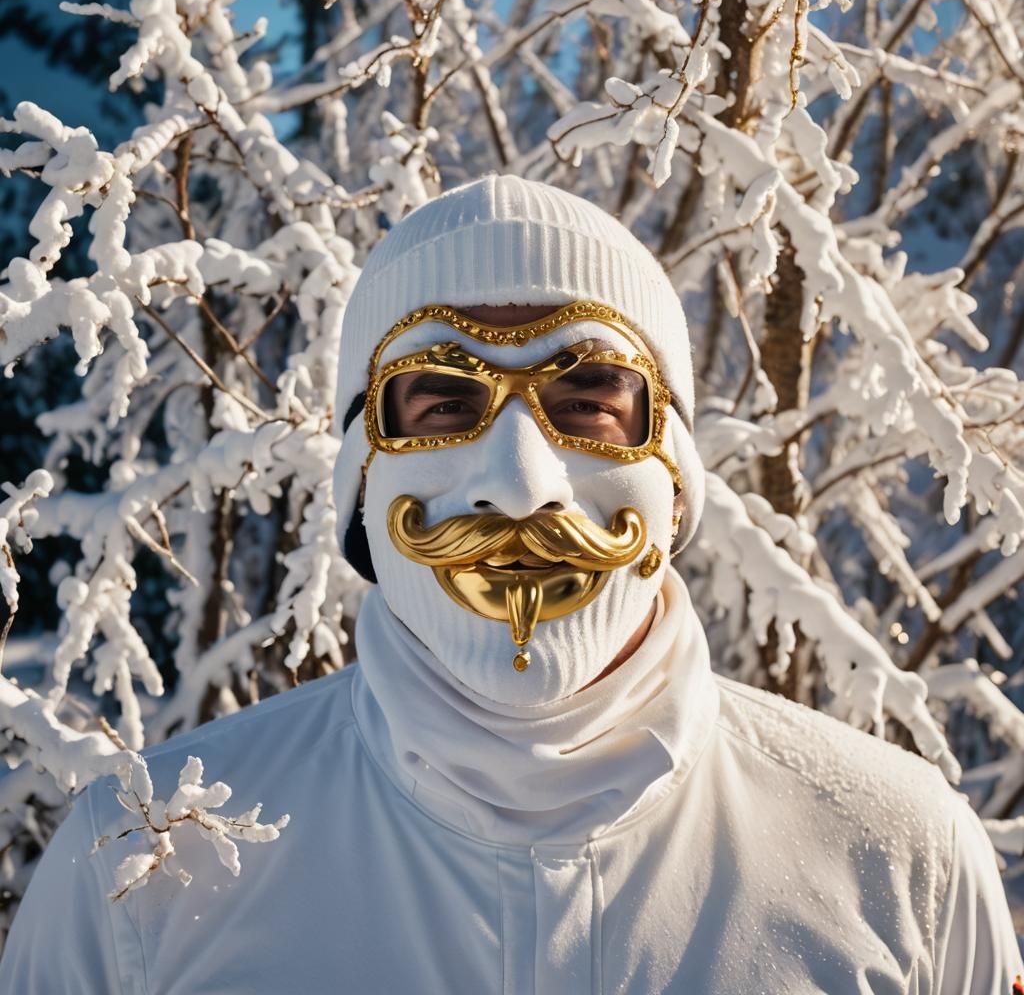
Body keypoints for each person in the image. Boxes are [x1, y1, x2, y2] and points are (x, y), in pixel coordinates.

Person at [2, 174, 1021, 993]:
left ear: (676, 473)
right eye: (443, 402)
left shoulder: (901, 855)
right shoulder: (139, 868)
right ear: (362, 469)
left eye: (587, 400)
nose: (522, 489)